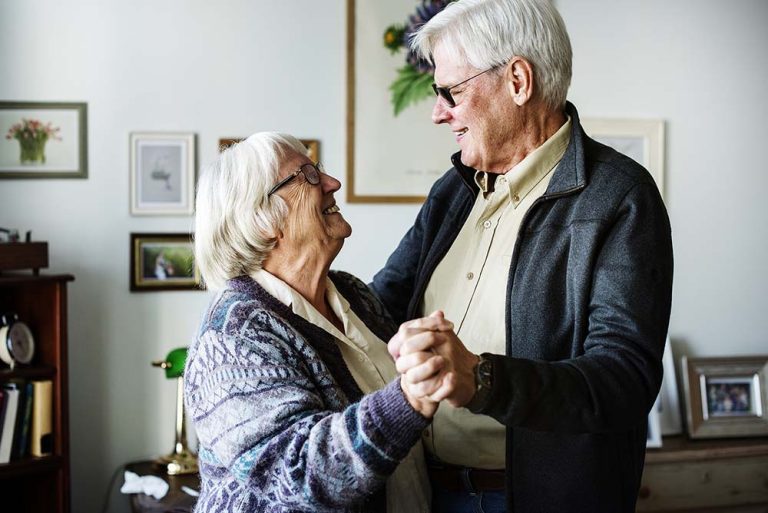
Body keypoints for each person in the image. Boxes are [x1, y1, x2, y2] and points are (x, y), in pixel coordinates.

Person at [372, 1, 674, 512]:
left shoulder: (620, 197)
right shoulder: (453, 192)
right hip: (423, 491)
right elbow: (378, 308)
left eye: (451, 91)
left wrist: (482, 379)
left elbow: (623, 380)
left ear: (517, 80)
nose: (438, 111)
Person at [185, 132, 455, 512]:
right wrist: (408, 399)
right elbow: (298, 473)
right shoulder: (232, 337)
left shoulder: (351, 294)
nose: (332, 183)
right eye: (307, 176)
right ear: (262, 219)